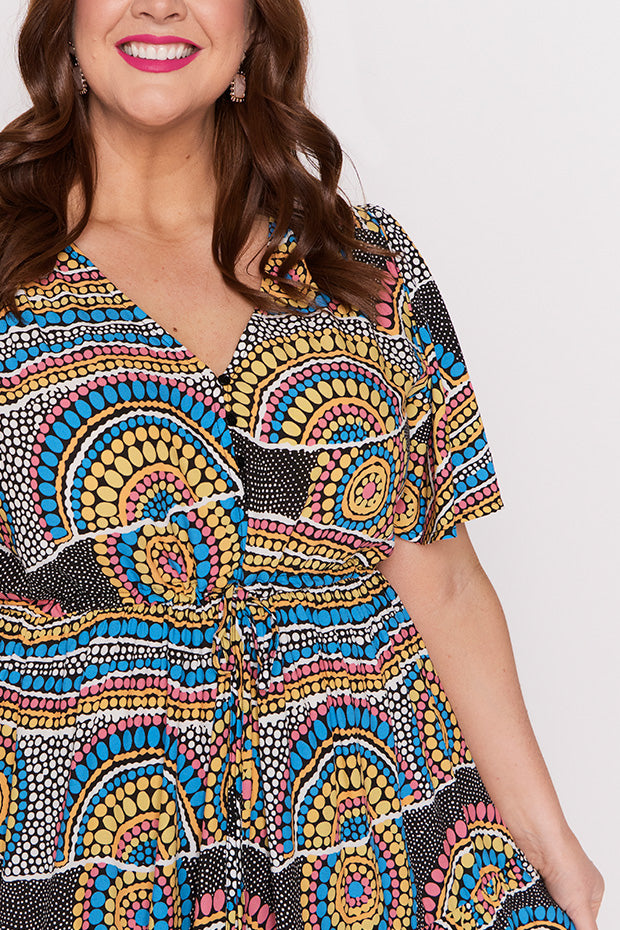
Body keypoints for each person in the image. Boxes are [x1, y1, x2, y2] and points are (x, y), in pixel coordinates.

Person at [0, 0, 604, 928]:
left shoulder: (361, 264)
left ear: (254, 28)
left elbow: (441, 579)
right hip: (89, 859)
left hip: (382, 846)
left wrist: (552, 841)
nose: (160, 4)